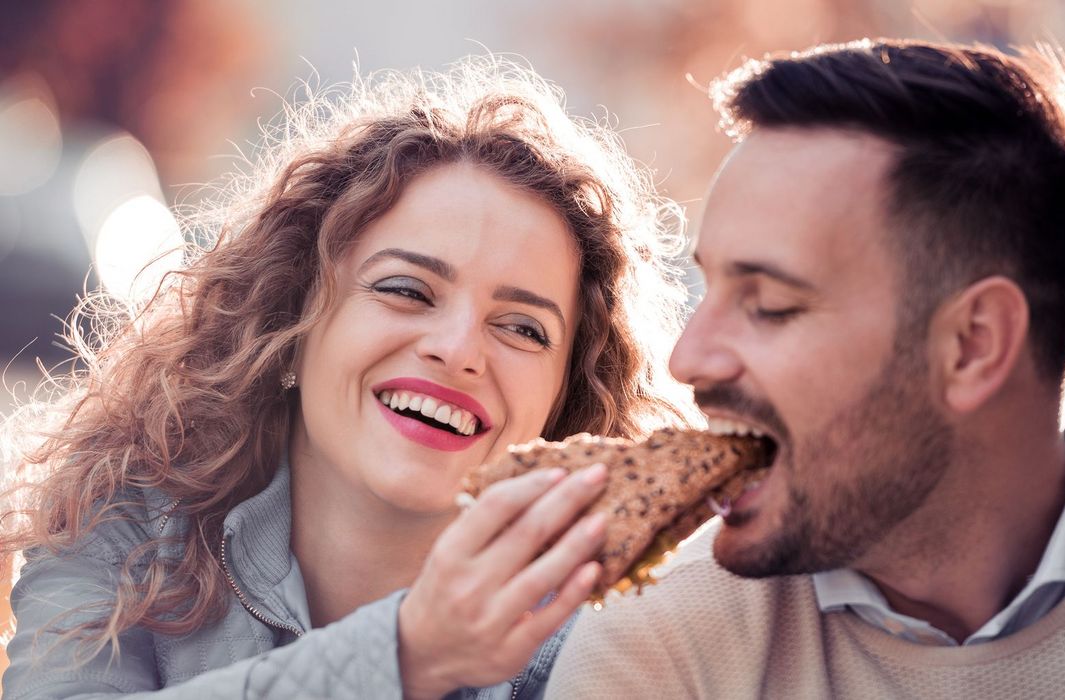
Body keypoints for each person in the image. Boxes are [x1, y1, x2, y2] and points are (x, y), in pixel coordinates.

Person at [1, 56, 699, 699]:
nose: (458, 351)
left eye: (522, 328)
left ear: (562, 399)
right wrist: (406, 654)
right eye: (406, 289)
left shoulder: (615, 626)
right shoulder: (123, 519)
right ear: (292, 316)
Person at [547, 39, 1065, 698]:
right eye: (711, 288)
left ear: (972, 345)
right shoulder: (662, 649)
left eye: (771, 305)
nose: (687, 358)